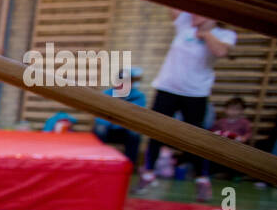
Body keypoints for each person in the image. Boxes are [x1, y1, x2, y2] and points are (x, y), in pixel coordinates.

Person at [140, 11, 236, 200]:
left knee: (196, 138)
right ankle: (148, 174)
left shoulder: (225, 35)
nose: (192, 15)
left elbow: (221, 51)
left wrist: (206, 33)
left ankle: (202, 179)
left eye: (198, 13)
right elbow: (173, 6)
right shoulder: (185, 23)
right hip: (167, 88)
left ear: (212, 16)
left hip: (195, 93)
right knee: (155, 132)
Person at [91, 68, 147, 166]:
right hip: (108, 129)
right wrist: (115, 119)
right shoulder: (106, 94)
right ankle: (97, 161)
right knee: (100, 128)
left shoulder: (138, 96)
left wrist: (115, 118)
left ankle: (130, 165)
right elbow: (100, 116)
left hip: (126, 129)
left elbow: (136, 117)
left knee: (135, 133)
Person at [205, 96, 255, 178]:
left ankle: (236, 174)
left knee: (240, 156)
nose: (233, 112)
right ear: (226, 109)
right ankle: (218, 172)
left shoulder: (244, 122)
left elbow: (248, 133)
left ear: (242, 111)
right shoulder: (221, 122)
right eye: (231, 109)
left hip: (237, 147)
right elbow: (213, 131)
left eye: (237, 109)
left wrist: (243, 138)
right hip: (222, 146)